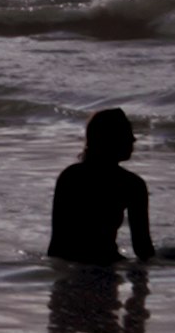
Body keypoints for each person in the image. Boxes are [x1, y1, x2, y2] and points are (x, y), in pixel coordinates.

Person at [48, 107, 157, 269]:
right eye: (127, 133)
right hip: (106, 264)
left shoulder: (70, 176)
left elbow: (56, 243)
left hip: (70, 266)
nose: (134, 139)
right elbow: (143, 250)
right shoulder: (132, 184)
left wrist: (57, 279)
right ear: (111, 138)